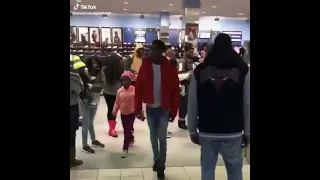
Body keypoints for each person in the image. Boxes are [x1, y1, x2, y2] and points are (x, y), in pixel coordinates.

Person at [187, 33, 250, 180]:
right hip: (232, 130)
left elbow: (193, 101)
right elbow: (248, 102)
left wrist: (191, 129)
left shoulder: (200, 70)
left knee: (207, 169)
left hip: (207, 129)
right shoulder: (243, 70)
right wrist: (248, 131)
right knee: (235, 170)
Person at [135, 40, 180, 180]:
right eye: (151, 49)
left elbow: (175, 91)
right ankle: (156, 158)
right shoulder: (145, 66)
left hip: (164, 108)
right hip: (150, 108)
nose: (152, 52)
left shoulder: (169, 67)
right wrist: (137, 109)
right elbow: (139, 88)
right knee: (153, 137)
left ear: (161, 51)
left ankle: (162, 165)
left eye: (155, 49)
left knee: (162, 138)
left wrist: (174, 111)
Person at [76, 57, 105, 154]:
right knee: (85, 123)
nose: (95, 65)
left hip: (95, 101)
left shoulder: (101, 74)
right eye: (93, 63)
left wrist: (92, 86)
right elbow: (80, 86)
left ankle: (93, 140)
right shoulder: (84, 72)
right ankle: (84, 145)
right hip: (85, 101)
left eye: (97, 63)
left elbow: (101, 86)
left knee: (90, 122)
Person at [112, 71, 143, 158]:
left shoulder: (134, 90)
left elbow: (138, 102)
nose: (125, 82)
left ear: (130, 81)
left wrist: (140, 112)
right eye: (123, 80)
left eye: (127, 80)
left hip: (132, 113)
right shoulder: (119, 91)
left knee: (127, 130)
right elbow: (117, 102)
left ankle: (125, 148)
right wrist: (114, 112)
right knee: (126, 129)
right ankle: (131, 138)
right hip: (123, 114)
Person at [102, 53, 124, 137]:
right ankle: (114, 128)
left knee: (111, 109)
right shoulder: (119, 69)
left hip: (107, 92)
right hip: (117, 93)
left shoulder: (105, 70)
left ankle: (112, 128)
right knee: (118, 109)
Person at [177, 43, 194, 130]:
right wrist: (190, 73)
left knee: (187, 104)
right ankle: (181, 121)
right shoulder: (182, 61)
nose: (192, 53)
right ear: (186, 51)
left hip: (189, 84)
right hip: (184, 85)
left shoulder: (190, 60)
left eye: (192, 51)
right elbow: (179, 74)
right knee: (183, 103)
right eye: (190, 51)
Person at [70, 61, 84, 167]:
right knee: (71, 134)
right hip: (72, 107)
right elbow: (79, 90)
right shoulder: (74, 78)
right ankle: (71, 160)